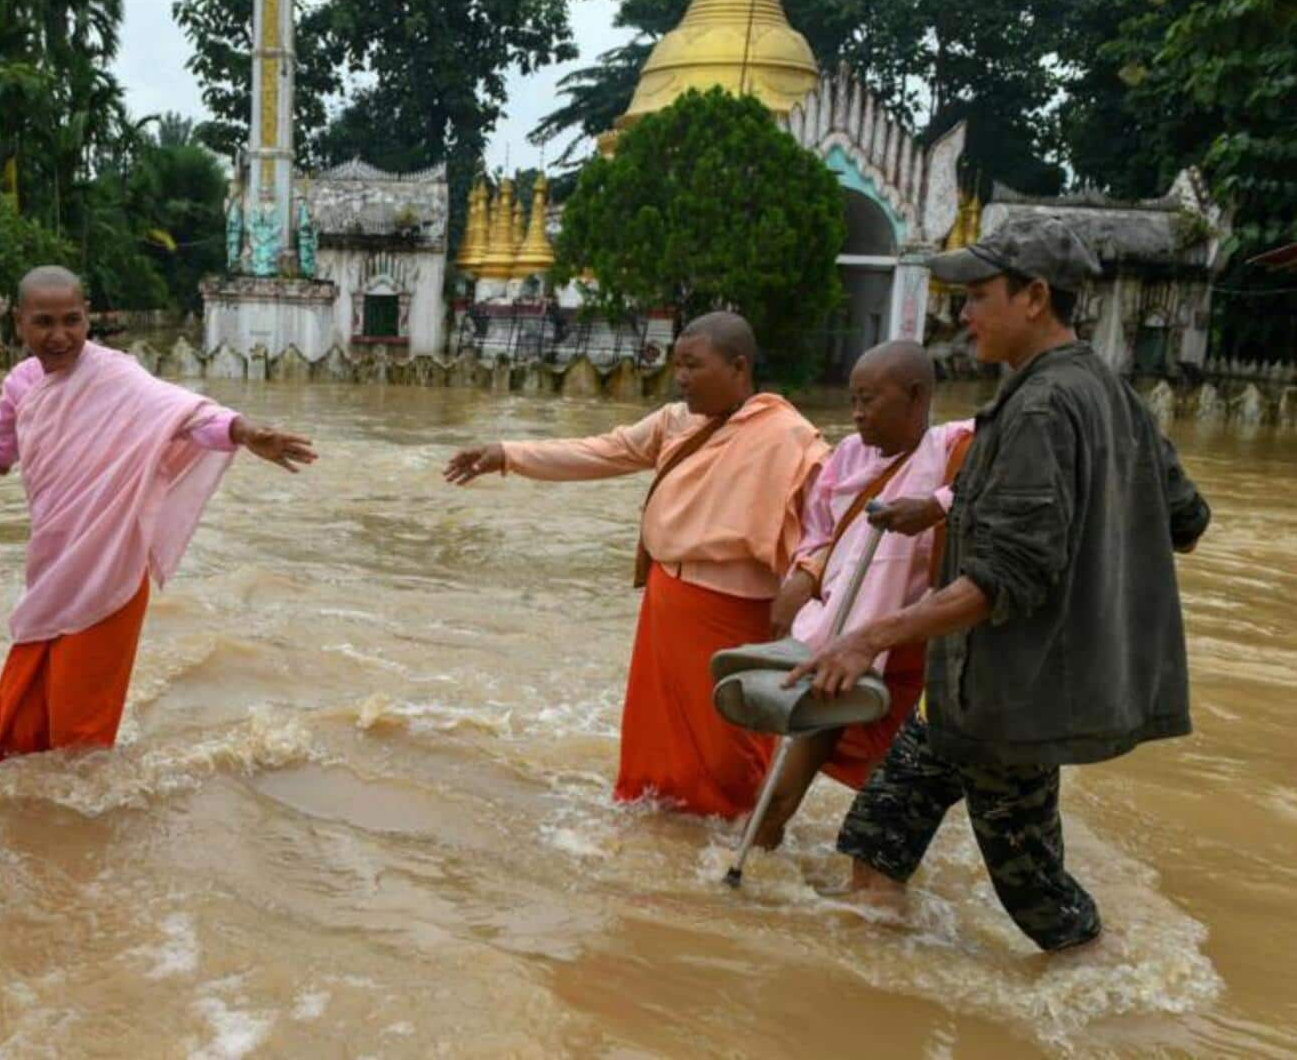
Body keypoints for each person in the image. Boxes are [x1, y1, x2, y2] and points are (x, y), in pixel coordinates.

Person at [788, 215, 1212, 951]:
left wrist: (869, 636)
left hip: (1008, 704)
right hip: (974, 691)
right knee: (876, 844)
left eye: (979, 295)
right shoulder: (1110, 393)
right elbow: (1184, 518)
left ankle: (1113, 1010)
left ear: (1035, 296)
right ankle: (878, 1000)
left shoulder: (1042, 407)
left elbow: (1003, 577)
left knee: (1044, 907)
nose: (964, 315)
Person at [0, 265, 318, 760]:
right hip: (52, 571)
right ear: (18, 322)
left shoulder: (117, 374)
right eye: (43, 322)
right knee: (14, 740)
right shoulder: (22, 384)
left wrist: (244, 431)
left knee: (79, 749)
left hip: (110, 567)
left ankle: (86, 832)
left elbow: (186, 414)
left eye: (71, 320)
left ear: (87, 318)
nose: (59, 335)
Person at [443, 313, 829, 818]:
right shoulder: (676, 422)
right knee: (657, 735)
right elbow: (603, 451)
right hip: (668, 596)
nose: (681, 378)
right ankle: (661, 829)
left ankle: (740, 832)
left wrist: (807, 577)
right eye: (677, 366)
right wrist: (508, 454)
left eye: (693, 365)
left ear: (738, 367)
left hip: (742, 612)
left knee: (732, 745)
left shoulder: (791, 437)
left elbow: (829, 522)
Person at [749, 341, 973, 850]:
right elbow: (818, 533)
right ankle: (753, 870)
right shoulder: (848, 456)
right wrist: (804, 577)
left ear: (915, 396)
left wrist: (933, 506)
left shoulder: (958, 446)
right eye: (852, 399)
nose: (856, 414)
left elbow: (997, 487)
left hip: (916, 651)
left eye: (868, 400)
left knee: (895, 802)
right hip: (843, 641)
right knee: (781, 790)